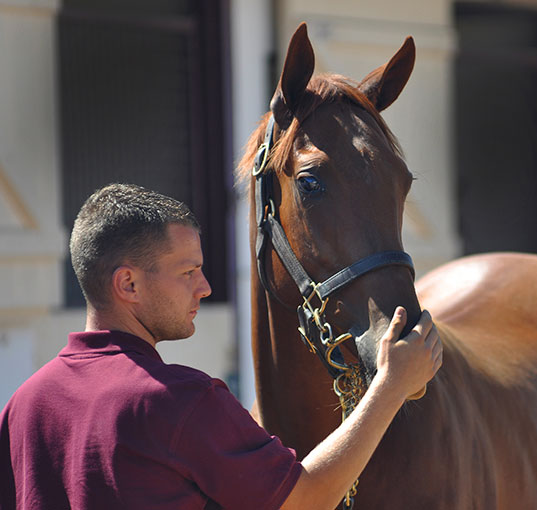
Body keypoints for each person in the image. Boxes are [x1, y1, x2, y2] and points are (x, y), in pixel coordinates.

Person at [0, 183, 442, 510]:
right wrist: (391, 387)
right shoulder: (176, 400)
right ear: (128, 283)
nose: (205, 287)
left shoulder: (23, 404)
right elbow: (305, 500)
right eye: (188, 271)